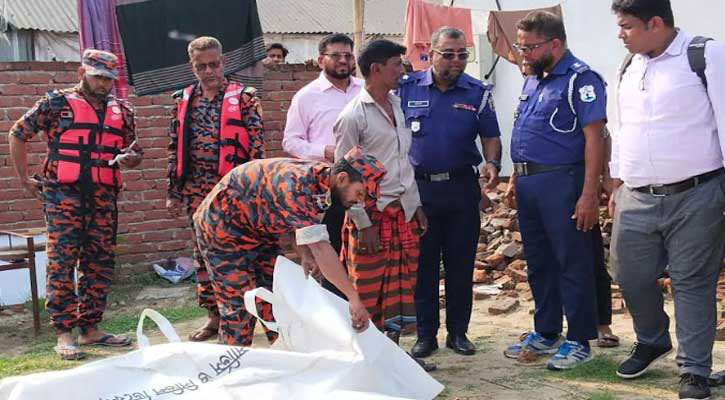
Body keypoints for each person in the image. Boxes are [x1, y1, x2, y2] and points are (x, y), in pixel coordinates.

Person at [608, 1, 725, 398]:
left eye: (626, 26)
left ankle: (694, 370)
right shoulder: (629, 64)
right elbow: (622, 127)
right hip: (636, 196)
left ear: (655, 22)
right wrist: (618, 183)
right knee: (629, 275)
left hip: (697, 194)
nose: (620, 34)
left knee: (693, 283)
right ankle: (653, 338)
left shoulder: (705, 54)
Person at [8, 49, 143, 360]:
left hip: (103, 198)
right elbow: (18, 133)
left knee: (99, 262)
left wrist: (133, 159)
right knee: (62, 263)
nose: (103, 83)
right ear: (82, 71)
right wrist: (24, 179)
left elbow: (131, 152)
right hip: (62, 196)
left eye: (109, 78)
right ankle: (64, 333)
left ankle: (91, 327)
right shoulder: (55, 103)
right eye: (97, 76)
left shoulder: (123, 110)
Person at [193, 146, 386, 346]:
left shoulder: (323, 182)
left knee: (276, 302)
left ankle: (285, 361)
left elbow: (294, 222)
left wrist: (304, 254)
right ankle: (232, 370)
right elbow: (321, 249)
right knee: (239, 311)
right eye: (360, 193)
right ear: (343, 178)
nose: (359, 201)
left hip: (259, 233)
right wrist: (353, 299)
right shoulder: (298, 184)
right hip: (222, 232)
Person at [501, 11, 606, 370]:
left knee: (571, 261)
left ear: (555, 44)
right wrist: (516, 178)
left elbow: (595, 139)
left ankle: (579, 339)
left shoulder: (580, 79)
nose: (523, 54)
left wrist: (589, 193)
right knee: (540, 262)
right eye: (520, 46)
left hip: (564, 183)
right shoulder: (534, 79)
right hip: (530, 184)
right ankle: (546, 331)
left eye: (529, 47)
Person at [399, 26, 502, 359]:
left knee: (460, 266)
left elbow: (490, 135)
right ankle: (426, 336)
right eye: (449, 54)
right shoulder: (406, 88)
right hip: (419, 192)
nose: (456, 61)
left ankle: (459, 333)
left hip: (461, 190)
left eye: (462, 55)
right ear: (431, 52)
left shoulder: (477, 91)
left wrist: (492, 162)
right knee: (424, 267)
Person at [334, 39, 432, 370]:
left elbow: (403, 161)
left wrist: (415, 204)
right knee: (368, 294)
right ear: (376, 69)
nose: (402, 71)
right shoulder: (353, 116)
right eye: (396, 64)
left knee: (401, 291)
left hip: (403, 214)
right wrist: (364, 224)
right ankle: (367, 363)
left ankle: (391, 359)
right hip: (372, 220)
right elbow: (343, 178)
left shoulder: (397, 103)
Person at [166, 36, 265, 342]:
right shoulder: (182, 99)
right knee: (203, 257)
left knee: (239, 256)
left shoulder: (245, 97)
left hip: (232, 192)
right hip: (197, 193)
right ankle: (213, 316)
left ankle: (246, 318)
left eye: (214, 64)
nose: (208, 71)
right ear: (191, 66)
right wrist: (173, 191)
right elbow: (174, 147)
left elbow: (257, 150)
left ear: (223, 62)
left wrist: (254, 194)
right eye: (201, 66)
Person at [283, 34, 363, 296]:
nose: (343, 61)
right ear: (321, 60)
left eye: (348, 56)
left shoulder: (364, 90)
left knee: (364, 251)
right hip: (325, 186)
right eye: (336, 55)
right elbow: (291, 141)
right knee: (332, 250)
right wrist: (323, 151)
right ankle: (337, 313)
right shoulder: (306, 97)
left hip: (365, 185)